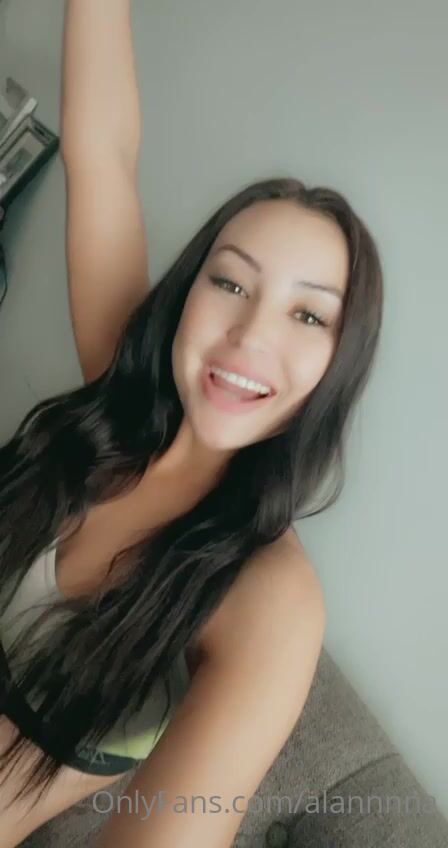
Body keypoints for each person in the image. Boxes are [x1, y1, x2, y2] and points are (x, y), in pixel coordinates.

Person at [0, 1, 383, 845]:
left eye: (308, 315)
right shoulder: (122, 393)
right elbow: (103, 153)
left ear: (340, 362)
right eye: (231, 283)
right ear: (187, 293)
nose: (249, 336)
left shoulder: (269, 599)